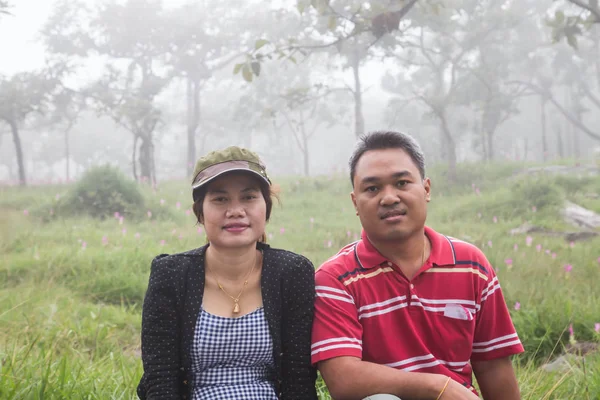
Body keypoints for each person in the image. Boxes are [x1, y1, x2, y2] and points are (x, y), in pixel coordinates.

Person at [311, 131, 524, 400]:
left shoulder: (471, 266)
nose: (389, 198)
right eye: (372, 188)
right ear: (356, 202)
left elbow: (493, 366)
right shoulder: (336, 278)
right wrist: (438, 387)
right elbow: (343, 379)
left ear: (426, 189)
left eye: (401, 183)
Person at [137, 146, 317, 400]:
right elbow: (161, 380)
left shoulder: (292, 273)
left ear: (266, 206)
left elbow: (298, 378)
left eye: (249, 197)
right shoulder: (171, 275)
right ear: (200, 211)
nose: (236, 211)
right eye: (220, 199)